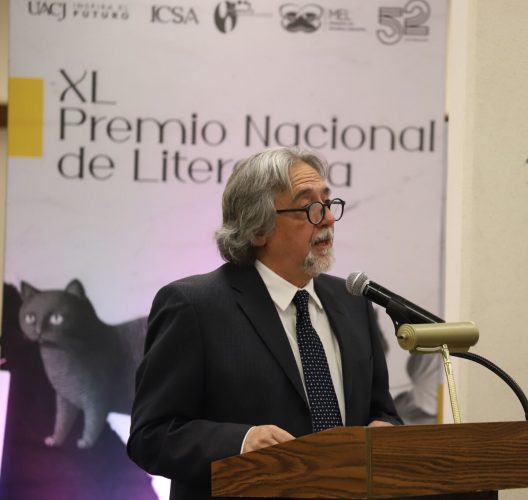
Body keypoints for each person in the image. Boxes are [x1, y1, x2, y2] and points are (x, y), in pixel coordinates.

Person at [127, 147, 401, 500]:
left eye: (328, 203)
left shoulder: (354, 302)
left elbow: (382, 411)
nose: (328, 220)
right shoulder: (194, 307)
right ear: (257, 229)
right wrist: (240, 442)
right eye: (309, 207)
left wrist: (385, 430)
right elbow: (151, 436)